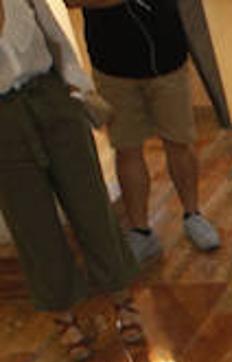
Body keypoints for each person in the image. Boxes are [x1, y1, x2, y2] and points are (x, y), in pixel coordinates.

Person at [0, 0, 142, 362]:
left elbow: (56, 38)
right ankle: (63, 316)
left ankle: (122, 297)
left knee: (90, 203)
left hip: (50, 98)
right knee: (31, 222)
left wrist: (77, 91)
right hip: (4, 120)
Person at [65, 0, 219, 257]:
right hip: (112, 63)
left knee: (179, 142)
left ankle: (193, 214)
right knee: (126, 148)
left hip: (168, 54)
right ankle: (140, 230)